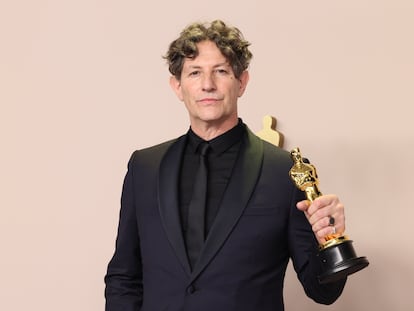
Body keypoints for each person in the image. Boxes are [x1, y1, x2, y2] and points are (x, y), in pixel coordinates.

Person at [104, 20, 347, 311]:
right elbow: (123, 277)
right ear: (177, 86)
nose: (208, 84)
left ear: (241, 82)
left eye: (220, 71)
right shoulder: (144, 167)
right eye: (195, 73)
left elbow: (322, 292)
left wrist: (331, 240)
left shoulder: (285, 172)